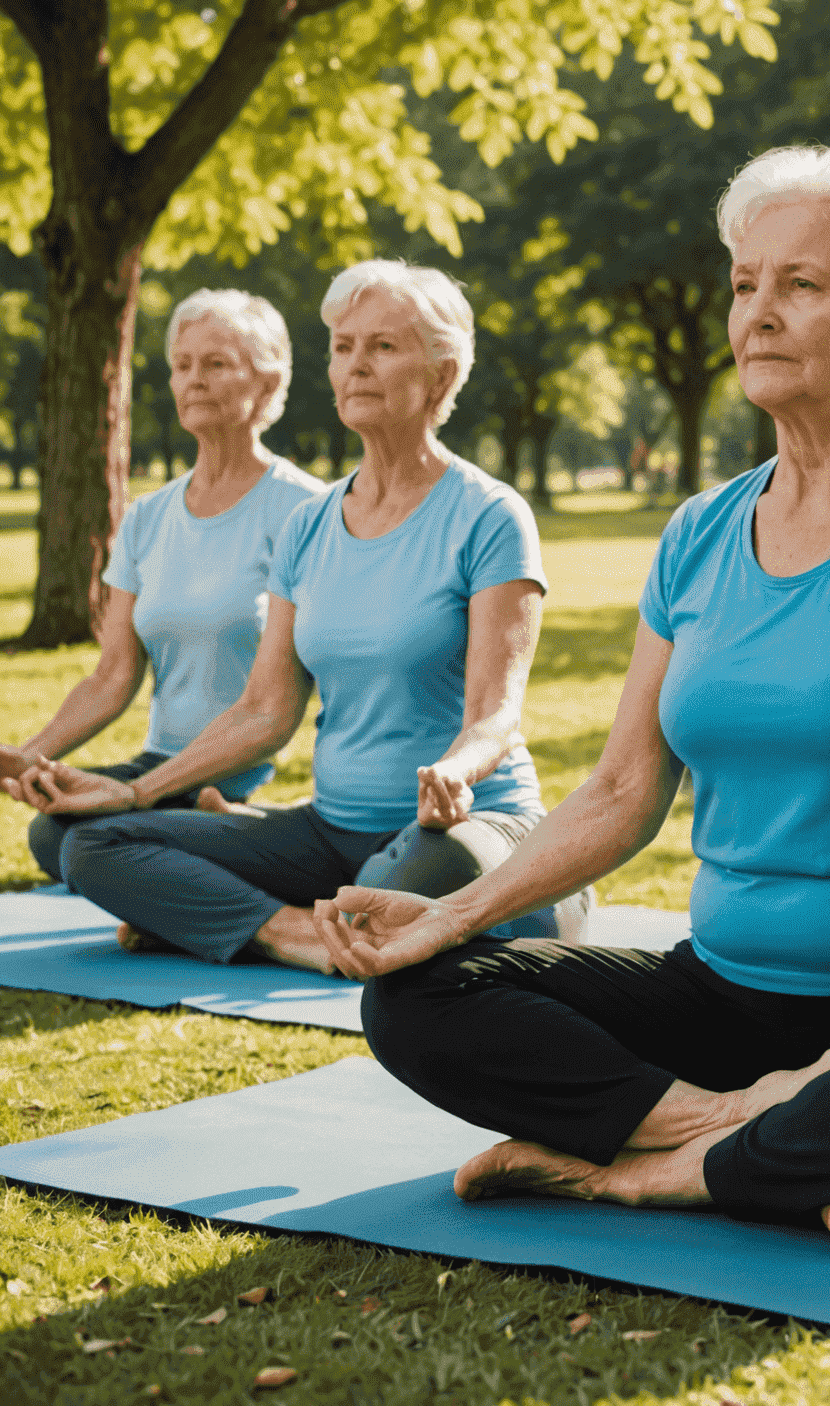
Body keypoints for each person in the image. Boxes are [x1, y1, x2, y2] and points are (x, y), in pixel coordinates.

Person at [313, 147, 830, 1255]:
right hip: (724, 1001)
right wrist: (445, 919)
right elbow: (621, 793)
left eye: (801, 284)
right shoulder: (696, 536)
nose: (759, 314)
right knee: (416, 1001)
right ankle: (743, 1132)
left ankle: (640, 1174)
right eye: (746, 284)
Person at [12, 260, 589, 970]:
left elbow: (495, 716)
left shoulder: (490, 515)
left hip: (463, 824)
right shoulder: (309, 526)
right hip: (331, 831)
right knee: (92, 842)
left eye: (383, 347)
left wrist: (456, 772)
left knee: (403, 884)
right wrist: (133, 790)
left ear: (441, 373)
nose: (356, 366)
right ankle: (290, 932)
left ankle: (240, 917)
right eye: (344, 347)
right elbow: (264, 709)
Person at [1, 290, 324, 881]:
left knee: (87, 846)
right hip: (160, 763)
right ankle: (212, 839)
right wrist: (30, 759)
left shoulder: (305, 510)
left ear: (267, 378)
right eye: (182, 365)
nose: (192, 380)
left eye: (216, 363)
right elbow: (112, 677)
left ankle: (242, 827)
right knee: (52, 832)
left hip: (238, 766)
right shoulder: (147, 518)